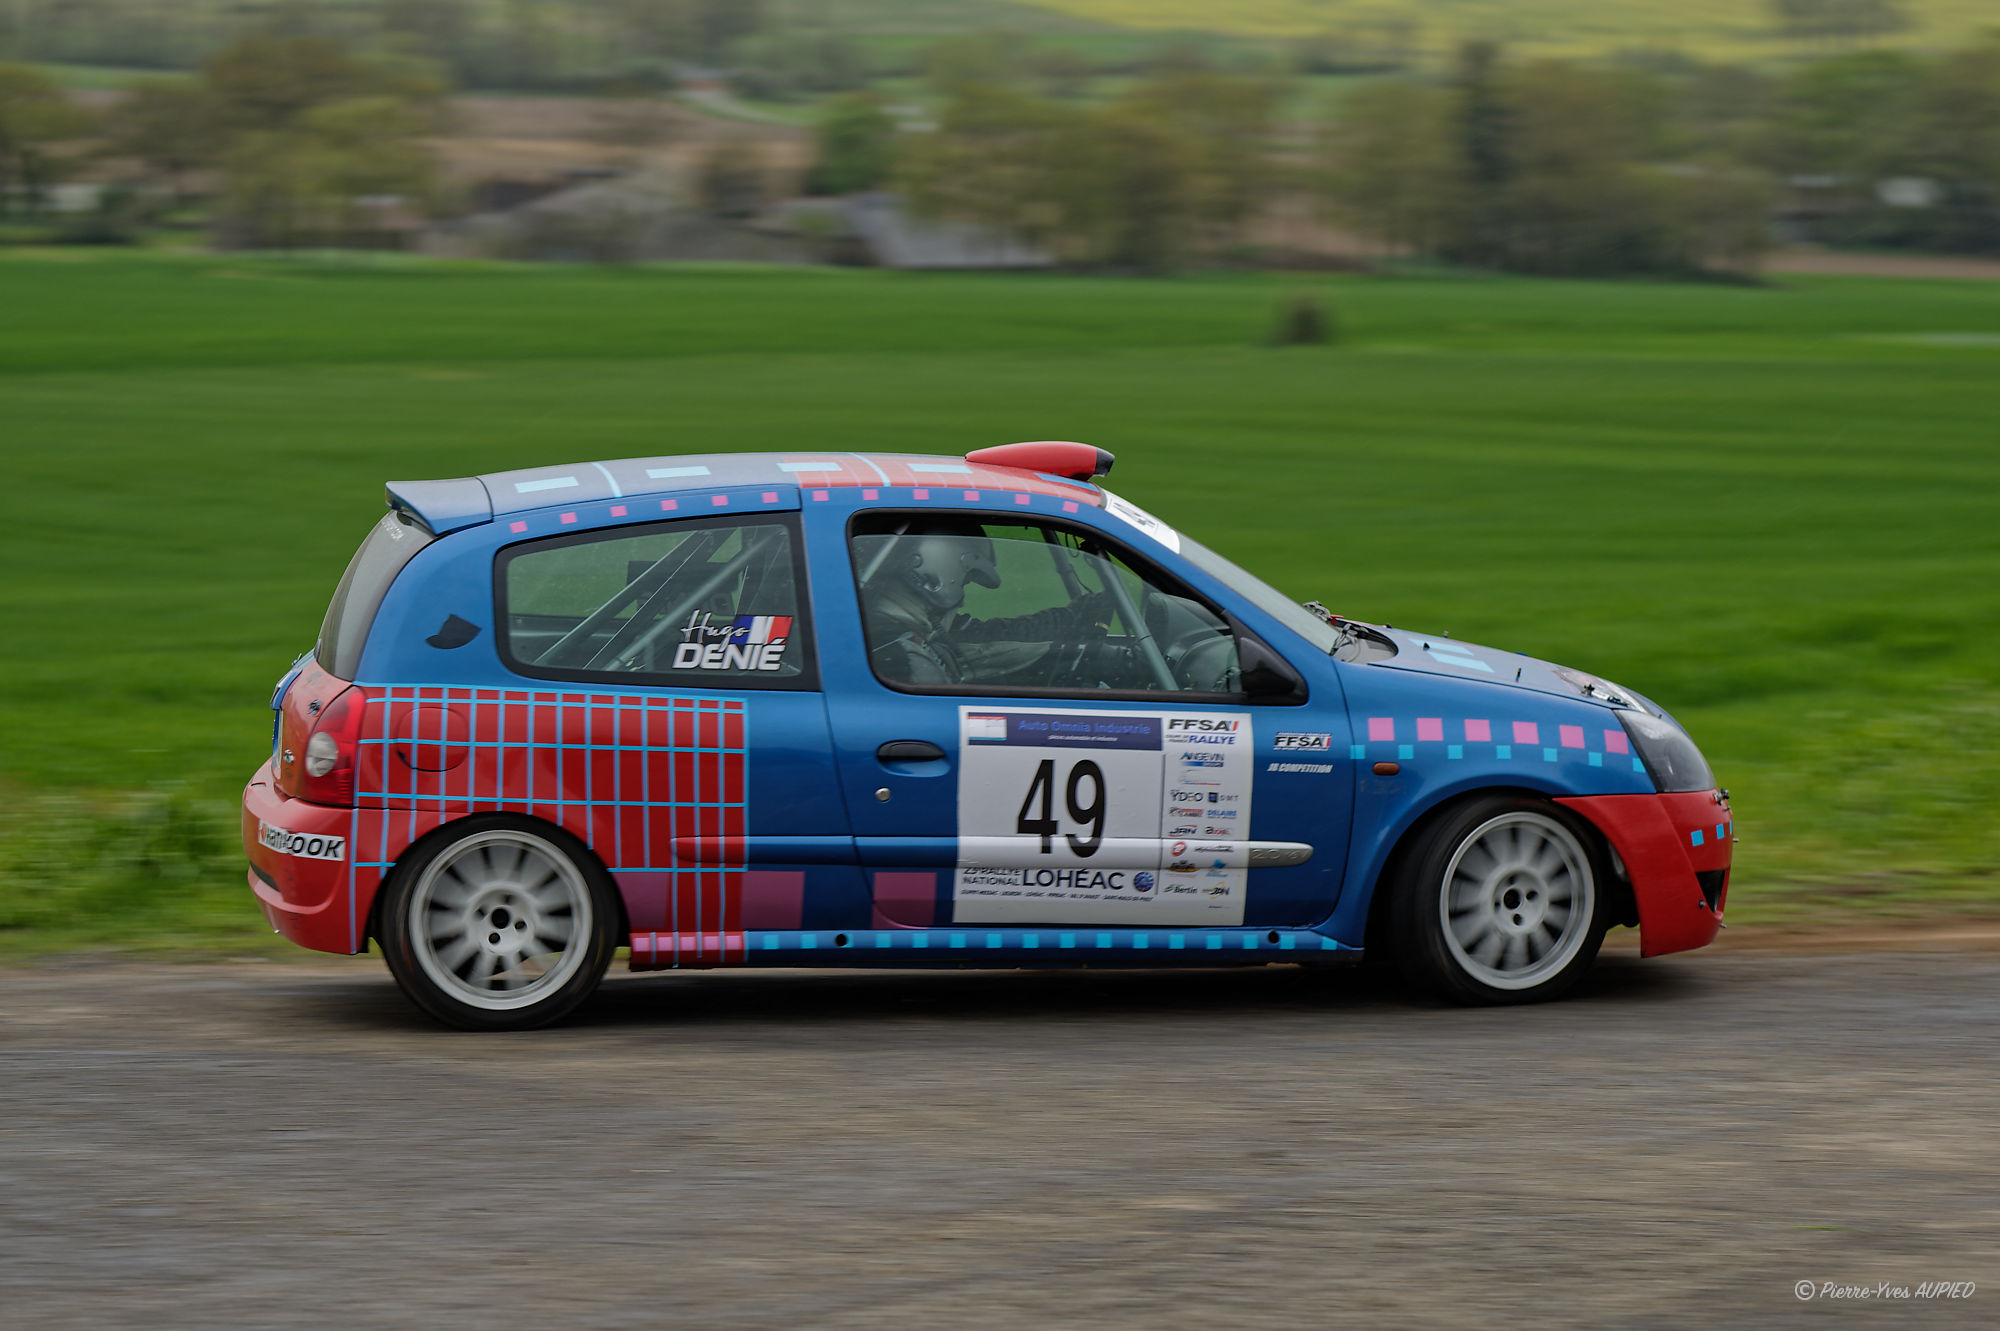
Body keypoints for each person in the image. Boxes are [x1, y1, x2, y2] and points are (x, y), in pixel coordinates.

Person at [860, 525, 1116, 686]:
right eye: (965, 583)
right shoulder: (902, 655)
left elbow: (985, 635)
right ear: (939, 575)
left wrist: (1067, 618)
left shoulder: (898, 625)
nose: (963, 600)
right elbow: (983, 644)